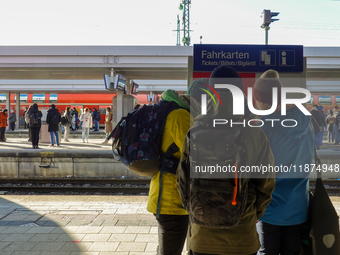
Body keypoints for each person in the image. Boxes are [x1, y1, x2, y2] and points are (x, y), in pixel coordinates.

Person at [178, 66, 276, 255]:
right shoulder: (256, 134)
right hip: (243, 238)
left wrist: (195, 212)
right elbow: (266, 186)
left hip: (202, 238)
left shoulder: (194, 132)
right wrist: (250, 214)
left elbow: (181, 182)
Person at [253, 69, 314, 255]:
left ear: (262, 100)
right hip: (298, 208)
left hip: (270, 209)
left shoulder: (263, 127)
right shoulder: (307, 124)